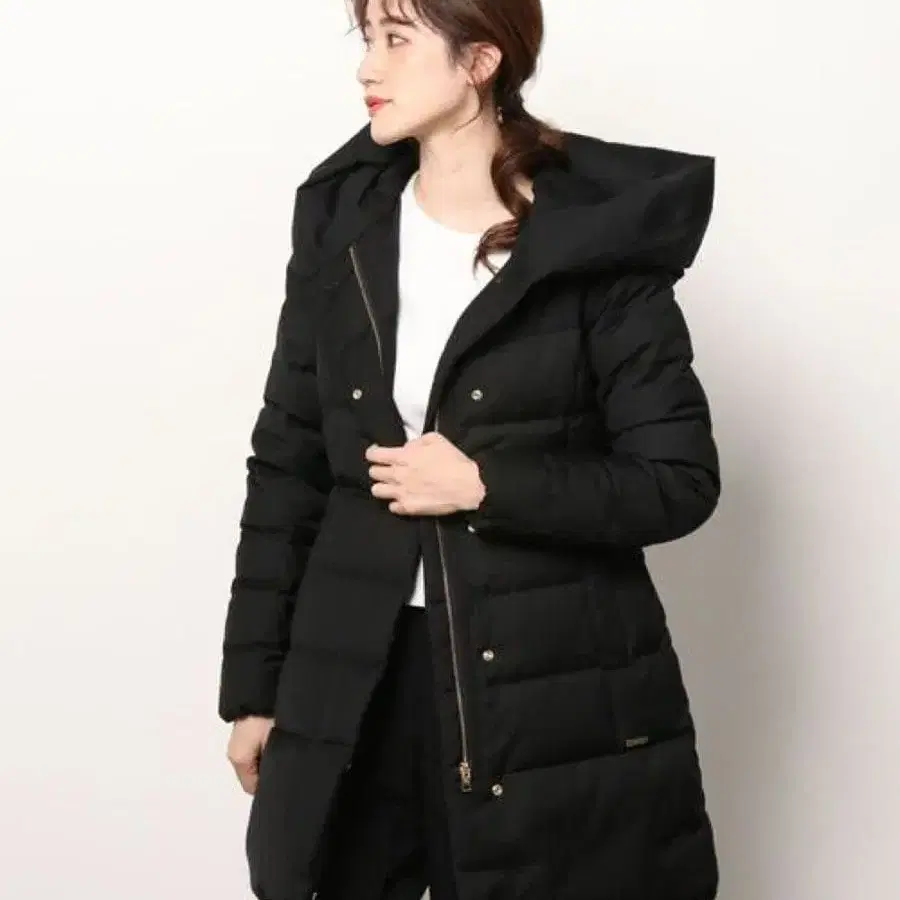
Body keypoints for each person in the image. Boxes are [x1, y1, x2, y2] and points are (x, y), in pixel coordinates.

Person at [218, 0, 721, 898]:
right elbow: (288, 464)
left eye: (397, 40)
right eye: (366, 39)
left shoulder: (593, 250)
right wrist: (255, 689)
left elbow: (676, 482)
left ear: (480, 61)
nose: (368, 67)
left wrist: (486, 484)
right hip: (357, 672)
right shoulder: (344, 230)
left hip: (543, 689)